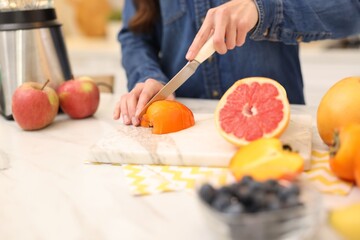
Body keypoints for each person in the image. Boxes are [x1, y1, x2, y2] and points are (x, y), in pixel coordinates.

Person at [113, 0, 360, 126]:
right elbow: (136, 36)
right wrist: (146, 75)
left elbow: (351, 8)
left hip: (276, 131)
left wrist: (263, 8)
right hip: (183, 130)